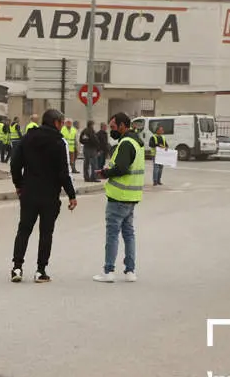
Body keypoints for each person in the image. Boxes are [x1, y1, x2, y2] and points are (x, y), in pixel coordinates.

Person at [9, 109, 77, 283]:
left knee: (24, 230)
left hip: (29, 192)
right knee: (46, 233)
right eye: (61, 123)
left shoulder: (28, 138)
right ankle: (40, 271)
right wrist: (71, 194)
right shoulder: (58, 143)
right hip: (49, 195)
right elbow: (63, 173)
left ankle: (17, 267)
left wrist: (18, 184)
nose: (62, 126)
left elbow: (15, 163)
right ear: (55, 123)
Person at [93, 112, 145, 283]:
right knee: (129, 234)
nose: (112, 130)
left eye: (114, 127)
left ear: (123, 125)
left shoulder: (126, 143)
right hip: (132, 196)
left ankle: (108, 271)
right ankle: (130, 271)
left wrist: (104, 173)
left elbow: (121, 168)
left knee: (112, 234)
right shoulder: (137, 142)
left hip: (119, 196)